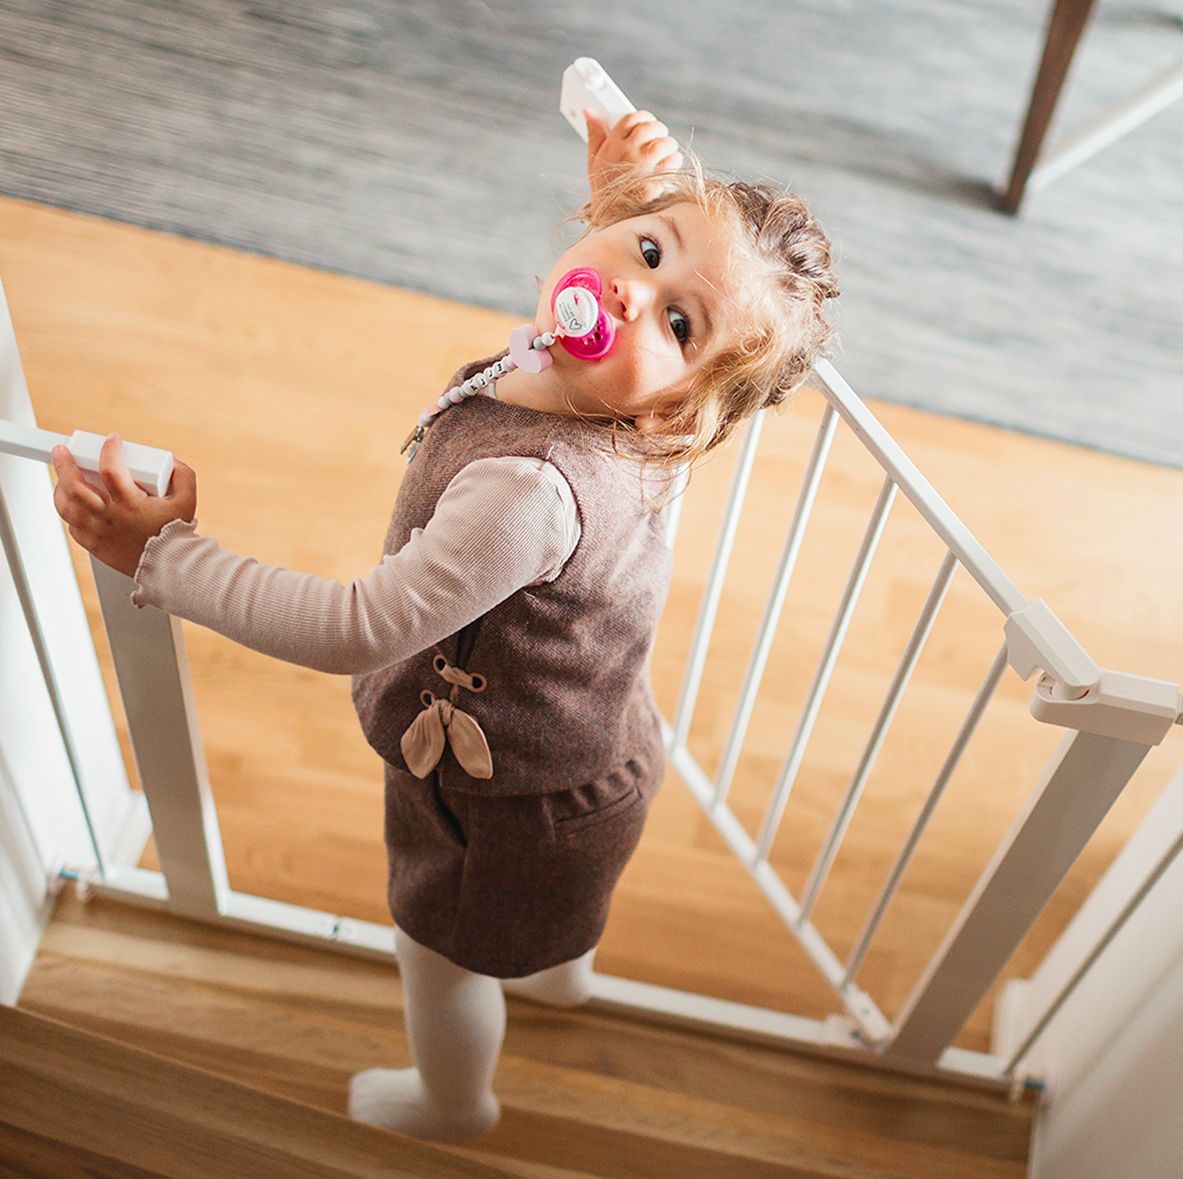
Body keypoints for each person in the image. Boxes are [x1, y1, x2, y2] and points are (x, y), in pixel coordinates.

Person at [50, 107, 840, 1142]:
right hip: (595, 749)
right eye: (646, 246)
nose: (627, 292)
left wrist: (164, 558)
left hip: (504, 798)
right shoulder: (612, 399)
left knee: (442, 952)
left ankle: (453, 1102)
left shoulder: (528, 493)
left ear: (680, 412)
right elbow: (625, 293)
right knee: (547, 918)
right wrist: (621, 200)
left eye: (679, 322)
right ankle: (561, 977)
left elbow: (356, 625)